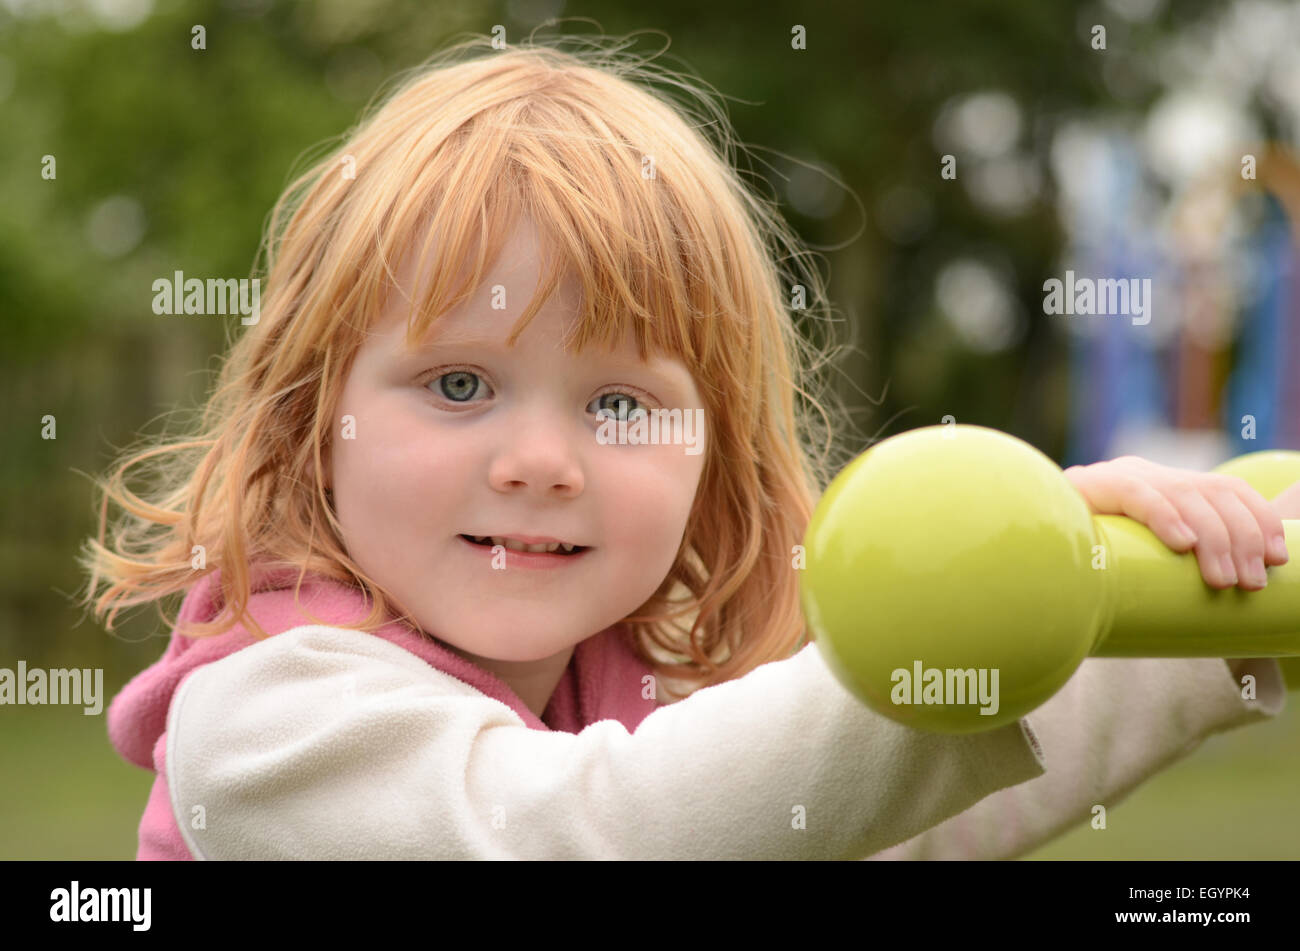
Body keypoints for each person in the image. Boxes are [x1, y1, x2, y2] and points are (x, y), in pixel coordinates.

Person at [81, 36, 1290, 860]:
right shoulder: (265, 722)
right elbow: (606, 835)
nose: (541, 459)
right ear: (309, 422)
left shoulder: (643, 686)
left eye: (617, 405)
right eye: (459, 383)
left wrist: (1152, 608)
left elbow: (870, 823)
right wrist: (957, 628)